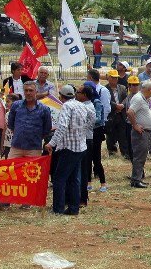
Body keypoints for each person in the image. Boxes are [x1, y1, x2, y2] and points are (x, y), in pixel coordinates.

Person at [46, 84, 93, 215]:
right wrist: (80, 131)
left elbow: (62, 126)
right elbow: (92, 119)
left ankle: (58, 208)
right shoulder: (81, 105)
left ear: (61, 96)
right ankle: (73, 208)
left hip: (69, 148)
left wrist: (51, 143)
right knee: (74, 179)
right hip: (80, 146)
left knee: (59, 179)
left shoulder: (66, 106)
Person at [127, 80, 151, 189]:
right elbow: (130, 112)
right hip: (140, 132)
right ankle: (136, 180)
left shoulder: (143, 98)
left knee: (142, 155)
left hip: (144, 132)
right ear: (149, 90)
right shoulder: (139, 99)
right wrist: (135, 125)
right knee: (139, 156)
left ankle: (138, 178)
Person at [104, 70, 129, 158]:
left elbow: (126, 98)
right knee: (110, 134)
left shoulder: (122, 87)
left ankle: (125, 153)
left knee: (123, 135)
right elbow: (105, 101)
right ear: (108, 78)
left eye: (116, 78)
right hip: (111, 114)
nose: (115, 79)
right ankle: (112, 152)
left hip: (121, 115)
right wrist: (115, 106)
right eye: (113, 77)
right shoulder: (105, 89)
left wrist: (122, 105)